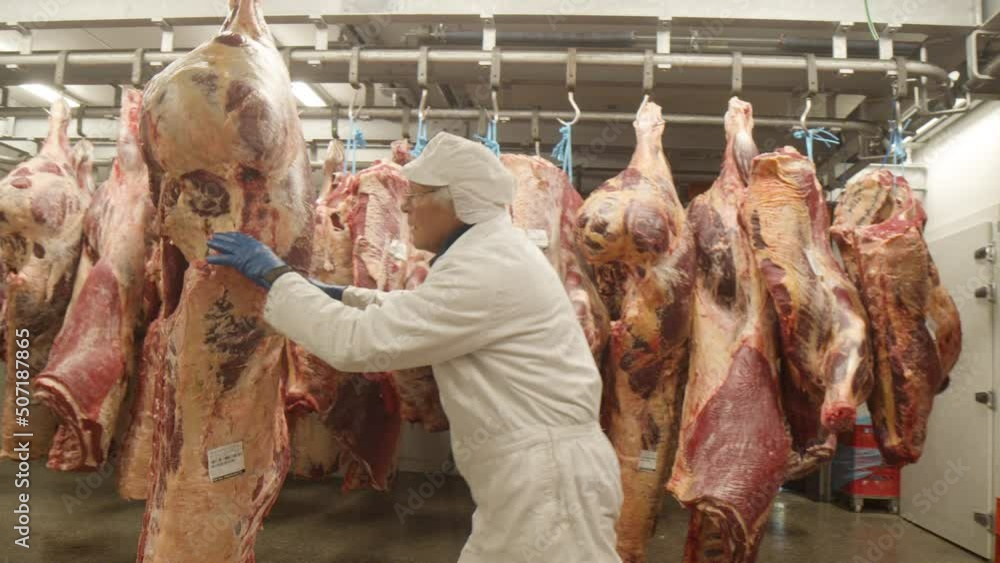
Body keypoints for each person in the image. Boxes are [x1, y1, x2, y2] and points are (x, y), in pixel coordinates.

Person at [207, 132, 623, 563]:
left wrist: (278, 277)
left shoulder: (487, 265)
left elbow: (357, 343)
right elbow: (422, 312)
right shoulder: (490, 253)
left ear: (456, 202)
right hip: (539, 475)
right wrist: (340, 295)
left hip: (548, 483)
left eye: (417, 196)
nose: (405, 207)